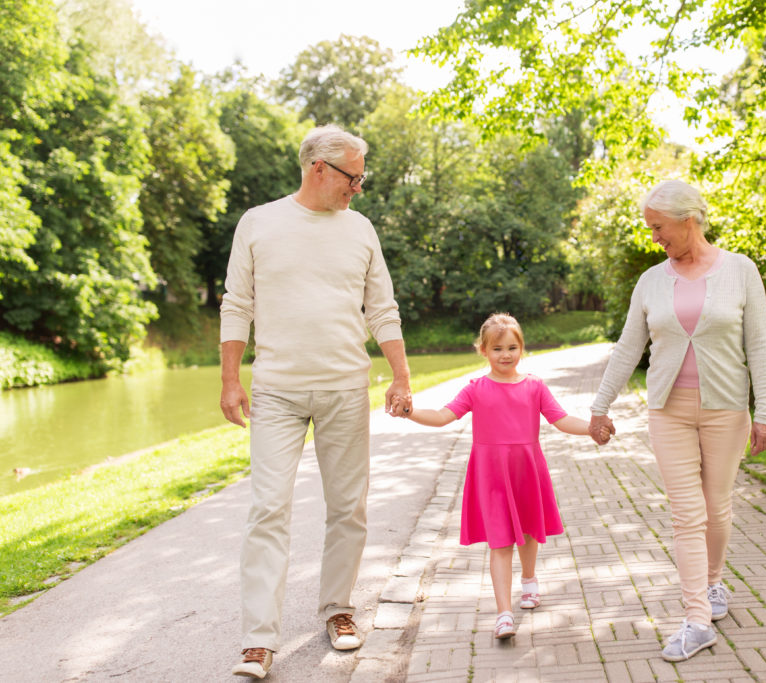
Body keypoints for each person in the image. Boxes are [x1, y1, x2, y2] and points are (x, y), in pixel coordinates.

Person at [219, 124, 412, 679]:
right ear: (319, 168)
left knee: (348, 507)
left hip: (345, 387)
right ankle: (258, 640)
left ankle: (339, 609)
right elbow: (237, 304)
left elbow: (383, 309)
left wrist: (400, 376)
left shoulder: (361, 230)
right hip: (276, 390)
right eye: (354, 177)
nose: (359, 188)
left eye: (362, 178)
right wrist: (231, 379)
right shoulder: (259, 223)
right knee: (267, 509)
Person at [588, 179, 766, 663]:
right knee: (686, 513)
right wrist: (599, 406)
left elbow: (759, 347)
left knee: (717, 506)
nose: (653, 237)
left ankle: (713, 584)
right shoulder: (651, 280)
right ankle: (696, 619)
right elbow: (629, 347)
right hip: (667, 411)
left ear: (687, 220)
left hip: (727, 410)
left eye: (658, 227)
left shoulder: (740, 271)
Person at [398, 313, 604, 639]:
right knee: (501, 540)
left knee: (531, 530)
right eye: (497, 349)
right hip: (491, 474)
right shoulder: (475, 389)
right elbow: (441, 416)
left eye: (512, 347)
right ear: (483, 350)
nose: (505, 355)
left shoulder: (535, 386)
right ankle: (504, 613)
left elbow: (561, 419)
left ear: (522, 348)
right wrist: (410, 412)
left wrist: (591, 429)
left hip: (527, 469)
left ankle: (530, 580)